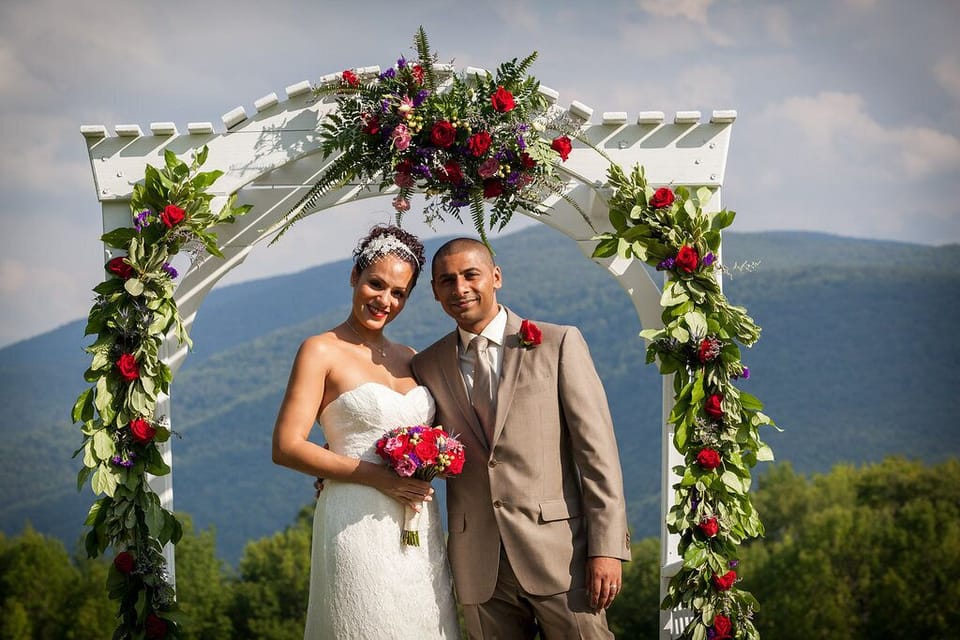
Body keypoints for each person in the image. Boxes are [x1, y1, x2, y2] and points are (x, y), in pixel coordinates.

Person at [410, 237, 631, 639]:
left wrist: (608, 548)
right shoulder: (426, 365)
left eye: (471, 275)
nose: (460, 288)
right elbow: (404, 435)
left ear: (496, 277)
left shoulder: (558, 344)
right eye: (447, 281)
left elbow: (597, 456)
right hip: (477, 563)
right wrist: (341, 468)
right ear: (435, 292)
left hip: (561, 557)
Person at [272, 225, 460, 639]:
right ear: (354, 276)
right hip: (355, 521)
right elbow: (286, 446)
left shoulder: (411, 357)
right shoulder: (320, 350)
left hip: (419, 524)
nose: (384, 300)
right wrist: (376, 476)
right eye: (376, 284)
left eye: (398, 293)